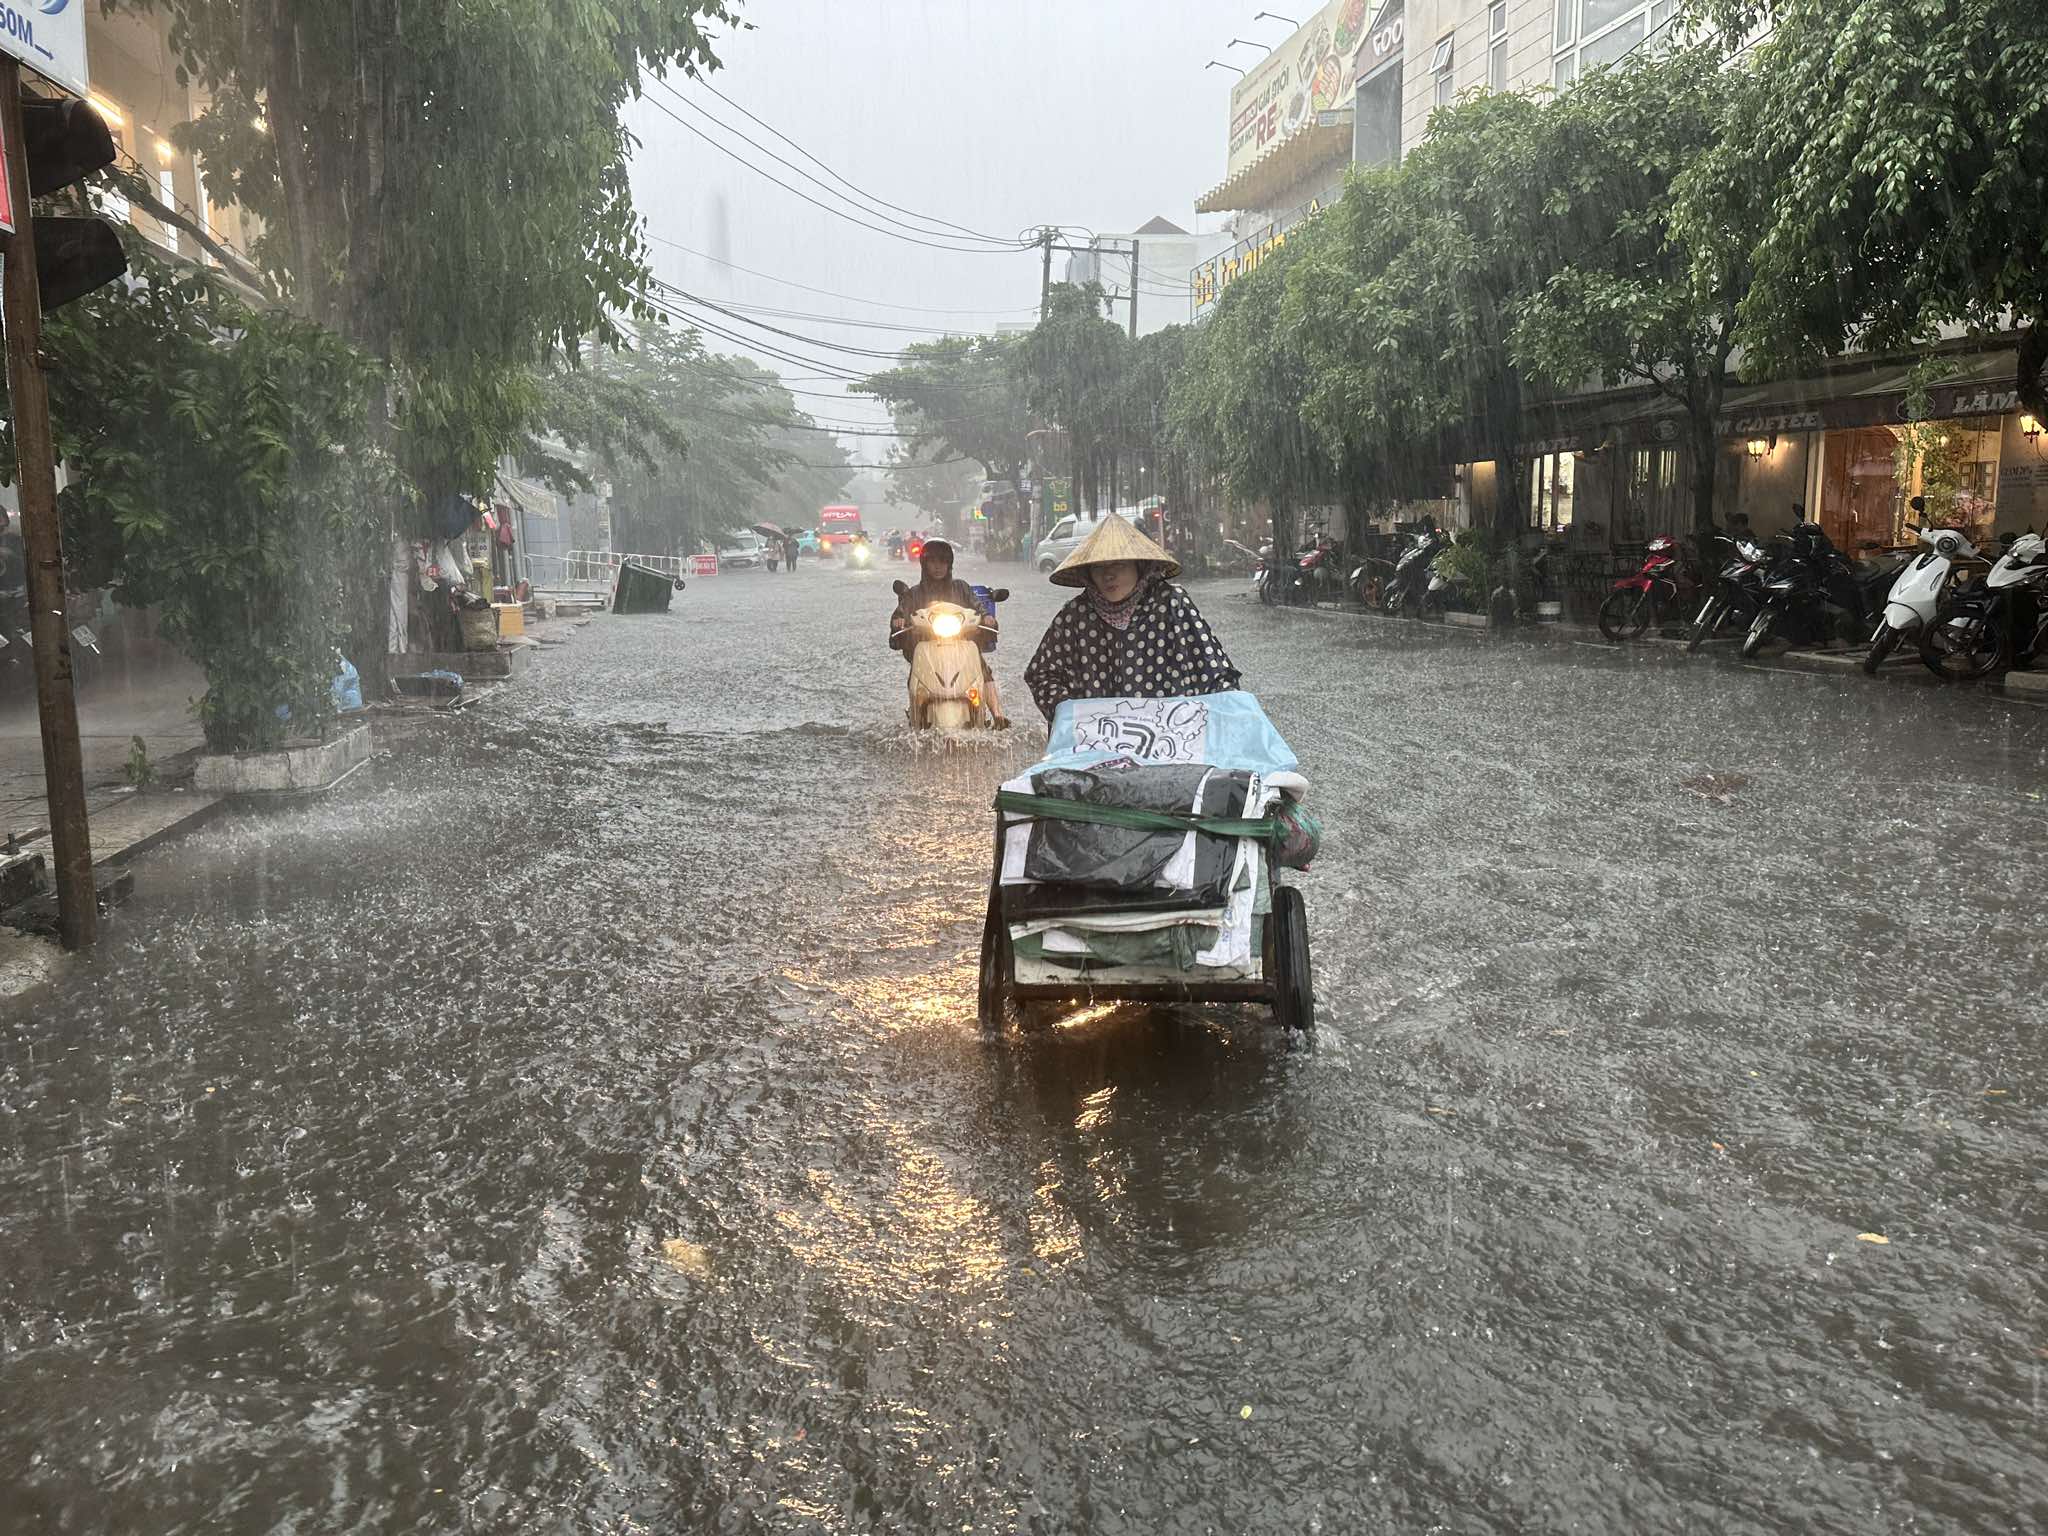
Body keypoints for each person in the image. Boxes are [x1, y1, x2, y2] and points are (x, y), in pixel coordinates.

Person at [1024, 512, 1240, 722]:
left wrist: (1229, 712)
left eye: (1119, 564)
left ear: (1140, 566)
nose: (1109, 575)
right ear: (1088, 574)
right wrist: (1072, 715)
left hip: (1167, 741)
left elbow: (1216, 672)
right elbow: (1041, 674)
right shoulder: (1074, 615)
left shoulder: (1172, 604)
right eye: (1099, 567)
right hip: (1097, 744)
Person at [888, 537, 1008, 728]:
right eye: (933, 562)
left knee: (983, 668)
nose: (938, 567)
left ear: (949, 564)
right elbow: (901, 613)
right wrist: (898, 621)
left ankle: (998, 716)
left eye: (943, 561)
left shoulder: (962, 588)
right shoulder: (914, 593)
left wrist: (987, 618)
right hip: (926, 648)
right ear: (924, 564)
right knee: (916, 676)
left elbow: (978, 608)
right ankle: (916, 716)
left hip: (961, 646)